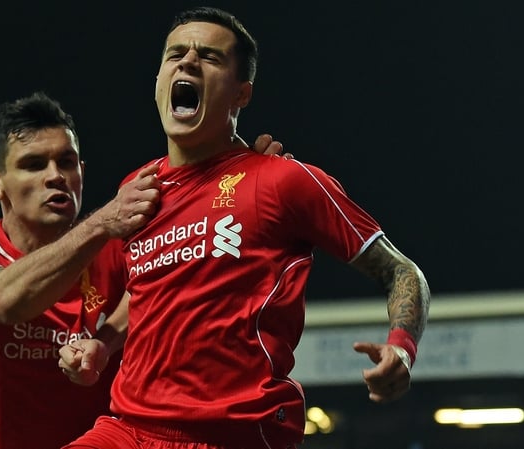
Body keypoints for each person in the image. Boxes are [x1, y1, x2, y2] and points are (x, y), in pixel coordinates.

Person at [59, 6, 431, 449]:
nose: (188, 61)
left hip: (235, 433)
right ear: (158, 81)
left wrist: (402, 348)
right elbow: (145, 294)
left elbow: (404, 273)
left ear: (242, 94)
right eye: (175, 54)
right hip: (129, 428)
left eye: (210, 57)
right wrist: (102, 343)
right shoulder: (136, 190)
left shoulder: (283, 179)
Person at [0, 91, 287, 449]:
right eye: (33, 164)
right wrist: (101, 223)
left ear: (81, 170)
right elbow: (5, 301)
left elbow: (196, 270)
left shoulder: (118, 249)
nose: (55, 176)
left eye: (67, 161)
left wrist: (249, 182)